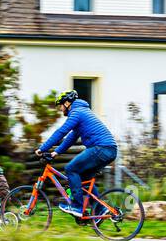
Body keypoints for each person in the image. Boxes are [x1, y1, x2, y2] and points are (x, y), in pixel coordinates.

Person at [37, 90, 118, 218]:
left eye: (60, 105)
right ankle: (100, 210)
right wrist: (55, 153)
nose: (60, 109)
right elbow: (71, 138)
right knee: (84, 179)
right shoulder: (82, 112)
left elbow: (61, 132)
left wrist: (42, 148)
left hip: (101, 148)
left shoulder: (77, 112)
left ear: (68, 103)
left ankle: (77, 207)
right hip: (109, 150)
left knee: (70, 168)